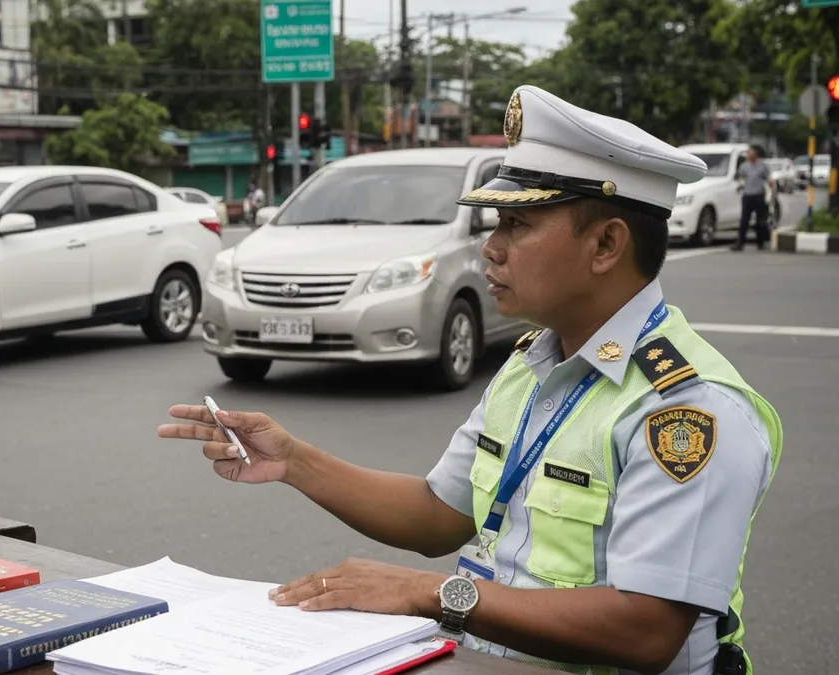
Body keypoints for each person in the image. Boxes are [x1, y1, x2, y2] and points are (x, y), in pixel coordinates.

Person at [158, 85, 782, 675]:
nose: (491, 247)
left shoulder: (686, 408)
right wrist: (293, 461)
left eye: (517, 225)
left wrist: (430, 594)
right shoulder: (532, 363)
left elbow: (646, 630)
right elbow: (440, 514)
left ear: (605, 246)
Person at [732, 145, 776, 251]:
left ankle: (760, 242)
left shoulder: (762, 166)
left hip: (759, 195)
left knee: (760, 221)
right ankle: (740, 243)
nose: (748, 154)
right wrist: (740, 185)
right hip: (747, 196)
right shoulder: (744, 166)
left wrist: (773, 192)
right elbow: (739, 178)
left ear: (756, 153)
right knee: (744, 220)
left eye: (750, 152)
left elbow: (768, 179)